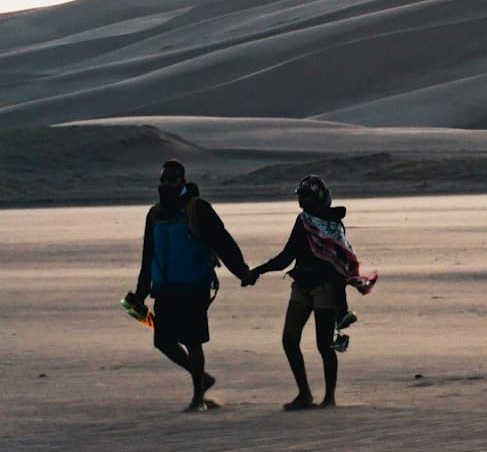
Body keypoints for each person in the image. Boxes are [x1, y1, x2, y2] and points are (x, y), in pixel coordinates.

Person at [125, 158, 255, 411]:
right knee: (163, 341)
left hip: (194, 286)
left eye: (170, 179)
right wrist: (141, 292)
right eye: (162, 179)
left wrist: (242, 272)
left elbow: (222, 242)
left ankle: (198, 398)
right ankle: (203, 379)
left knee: (193, 342)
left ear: (182, 182)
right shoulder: (154, 214)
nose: (165, 184)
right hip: (164, 288)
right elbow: (147, 254)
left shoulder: (198, 209)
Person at [249, 174, 378, 411]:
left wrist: (341, 304)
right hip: (302, 284)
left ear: (318, 197)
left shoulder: (333, 226)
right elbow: (287, 256)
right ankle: (305, 394)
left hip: (325, 287)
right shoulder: (303, 221)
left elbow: (339, 261)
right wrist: (259, 270)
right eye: (300, 196)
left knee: (323, 344)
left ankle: (329, 397)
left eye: (306, 196)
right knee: (289, 340)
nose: (301, 201)